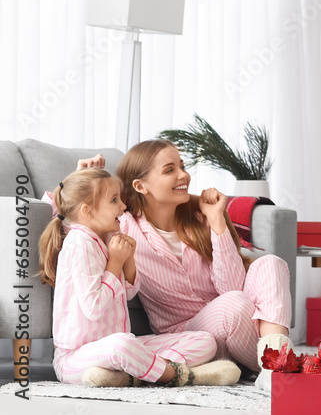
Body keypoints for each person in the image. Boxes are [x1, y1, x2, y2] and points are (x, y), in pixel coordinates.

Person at [77, 141, 293, 391]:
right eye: (170, 170)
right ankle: (272, 365)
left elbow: (232, 286)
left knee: (271, 263)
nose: (184, 175)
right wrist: (81, 179)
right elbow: (74, 227)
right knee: (235, 304)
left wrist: (217, 222)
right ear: (140, 186)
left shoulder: (200, 217)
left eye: (182, 166)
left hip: (236, 326)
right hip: (188, 338)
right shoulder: (125, 227)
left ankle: (276, 366)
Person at [39, 168, 239, 387]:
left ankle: (130, 376)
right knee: (122, 344)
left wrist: (128, 259)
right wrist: (115, 262)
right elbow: (94, 307)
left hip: (116, 355)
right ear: (88, 211)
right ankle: (181, 376)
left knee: (204, 340)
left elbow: (130, 292)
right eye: (114, 200)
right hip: (77, 359)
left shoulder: (108, 237)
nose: (123, 207)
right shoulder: (80, 243)